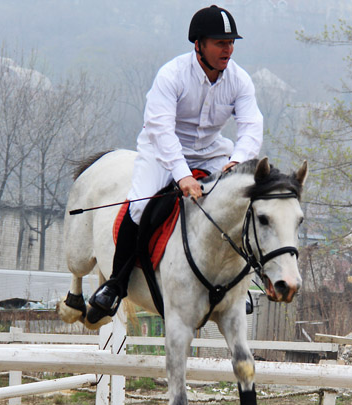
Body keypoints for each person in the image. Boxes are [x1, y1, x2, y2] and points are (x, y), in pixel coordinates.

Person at [87, 4, 264, 323]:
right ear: (199, 44)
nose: (228, 49)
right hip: (161, 150)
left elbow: (252, 125)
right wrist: (182, 176)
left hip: (211, 151)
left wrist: (238, 160)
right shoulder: (172, 75)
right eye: (220, 43)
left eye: (231, 42)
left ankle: (237, 286)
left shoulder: (239, 80)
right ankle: (116, 284)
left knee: (237, 203)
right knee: (139, 207)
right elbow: (163, 131)